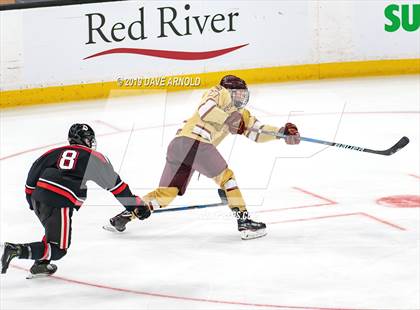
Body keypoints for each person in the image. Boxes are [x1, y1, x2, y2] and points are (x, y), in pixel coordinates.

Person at [107, 75, 300, 240]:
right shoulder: (218, 92)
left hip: (179, 147)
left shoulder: (241, 114)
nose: (242, 97)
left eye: (244, 94)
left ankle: (126, 215)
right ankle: (244, 222)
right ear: (229, 91)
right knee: (227, 178)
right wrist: (228, 119)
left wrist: (282, 133)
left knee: (166, 193)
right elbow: (205, 109)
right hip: (194, 143)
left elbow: (257, 132)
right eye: (239, 93)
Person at [0, 124, 150, 277]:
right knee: (59, 249)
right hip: (59, 200)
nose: (91, 142)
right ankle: (16, 250)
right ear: (82, 140)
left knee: (53, 233)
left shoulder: (54, 152)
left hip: (37, 198)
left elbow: (33, 174)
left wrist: (30, 199)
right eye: (89, 139)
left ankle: (41, 264)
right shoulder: (93, 157)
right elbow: (117, 187)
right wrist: (136, 205)